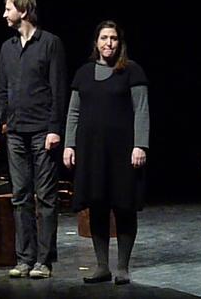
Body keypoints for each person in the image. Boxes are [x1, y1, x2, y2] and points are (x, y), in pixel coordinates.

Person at [63, 20, 149, 285]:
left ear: (119, 42)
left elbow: (141, 110)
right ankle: (102, 266)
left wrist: (140, 145)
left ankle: (122, 267)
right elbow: (74, 112)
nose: (108, 43)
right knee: (97, 205)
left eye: (113, 38)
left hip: (122, 151)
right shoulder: (84, 73)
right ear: (96, 42)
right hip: (91, 151)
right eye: (103, 38)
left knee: (124, 206)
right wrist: (69, 144)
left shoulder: (131, 70)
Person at [0, 0, 67, 279]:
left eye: (8, 9)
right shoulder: (7, 47)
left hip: (42, 131)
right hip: (15, 131)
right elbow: (2, 87)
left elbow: (58, 89)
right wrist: (2, 120)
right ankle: (24, 258)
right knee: (20, 196)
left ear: (23, 11)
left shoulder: (50, 43)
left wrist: (54, 129)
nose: (4, 14)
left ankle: (44, 260)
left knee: (46, 197)